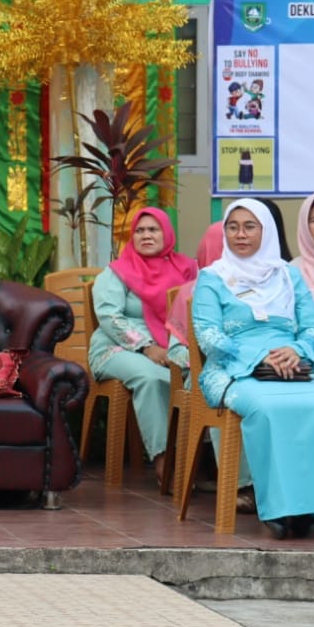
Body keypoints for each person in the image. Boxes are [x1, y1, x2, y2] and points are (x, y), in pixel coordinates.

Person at [191, 199, 314, 539]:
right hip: (235, 368)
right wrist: (257, 359)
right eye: (233, 227)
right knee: (266, 408)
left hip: (291, 364)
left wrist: (296, 349)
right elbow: (209, 336)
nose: (240, 234)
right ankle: (279, 508)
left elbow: (313, 330)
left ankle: (311, 507)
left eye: (250, 226)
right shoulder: (211, 278)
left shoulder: (289, 275)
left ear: (266, 230)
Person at [88, 207, 196, 489]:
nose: (146, 235)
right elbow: (110, 317)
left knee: (198, 380)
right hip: (118, 348)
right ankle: (164, 462)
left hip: (172, 346)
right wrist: (146, 347)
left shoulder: (186, 269)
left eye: (153, 229)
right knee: (153, 379)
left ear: (167, 234)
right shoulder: (117, 272)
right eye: (140, 230)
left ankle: (198, 462)